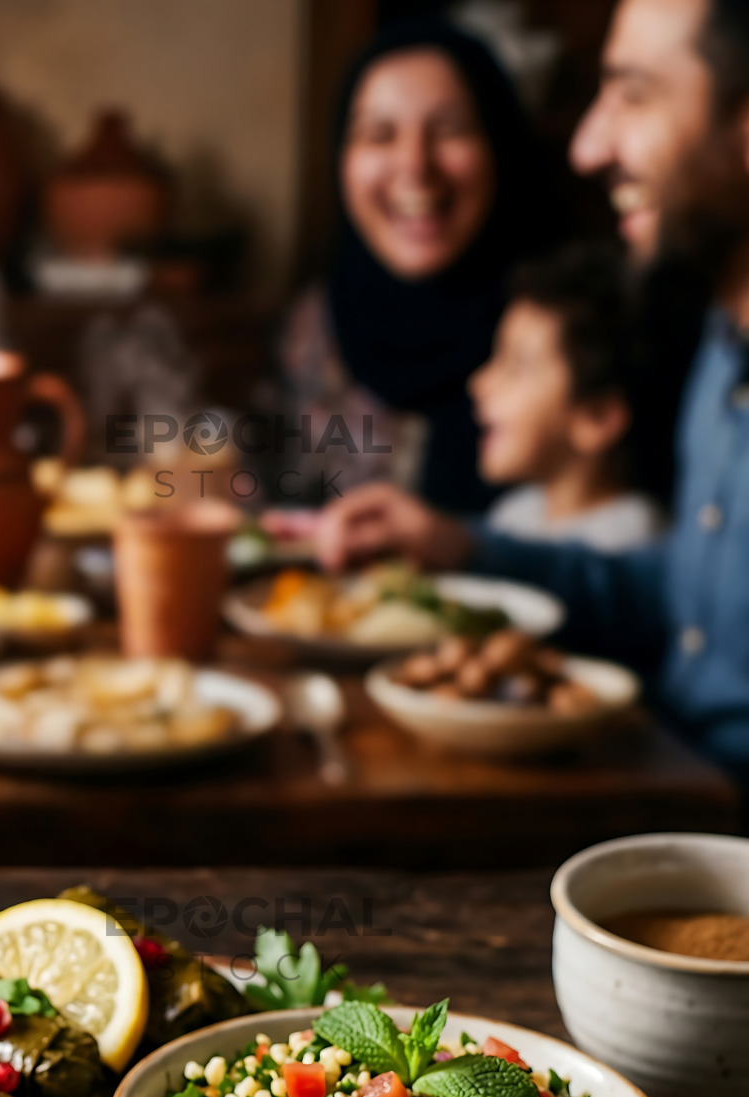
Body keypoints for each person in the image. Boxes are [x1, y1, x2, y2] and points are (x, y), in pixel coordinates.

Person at [315, 0, 749, 781]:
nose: (587, 145)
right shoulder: (725, 344)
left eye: (635, 94)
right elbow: (686, 605)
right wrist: (466, 547)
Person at [278, 20, 559, 513]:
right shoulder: (314, 329)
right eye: (379, 135)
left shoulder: (566, 328)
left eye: (450, 130)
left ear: (501, 147)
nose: (414, 165)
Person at [473, 244, 662, 553]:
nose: (480, 383)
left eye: (516, 366)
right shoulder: (511, 517)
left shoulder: (633, 540)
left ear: (598, 417)